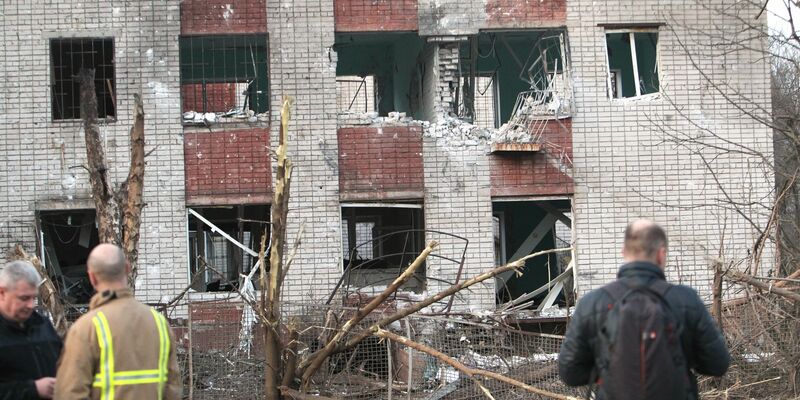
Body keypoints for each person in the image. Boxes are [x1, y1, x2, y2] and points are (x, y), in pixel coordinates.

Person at [559, 219, 730, 400]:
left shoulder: (592, 303)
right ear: (661, 254)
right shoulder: (686, 300)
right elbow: (718, 364)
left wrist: (607, 367)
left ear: (624, 252)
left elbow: (570, 373)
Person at [54, 244, 182, 399]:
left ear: (92, 277)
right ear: (128, 268)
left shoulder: (85, 328)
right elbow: (173, 389)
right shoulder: (159, 323)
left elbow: (69, 393)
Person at [0, 261, 62, 400]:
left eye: (34, 298)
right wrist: (33, 389)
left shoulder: (43, 325)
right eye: (24, 298)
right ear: (2, 293)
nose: (30, 305)